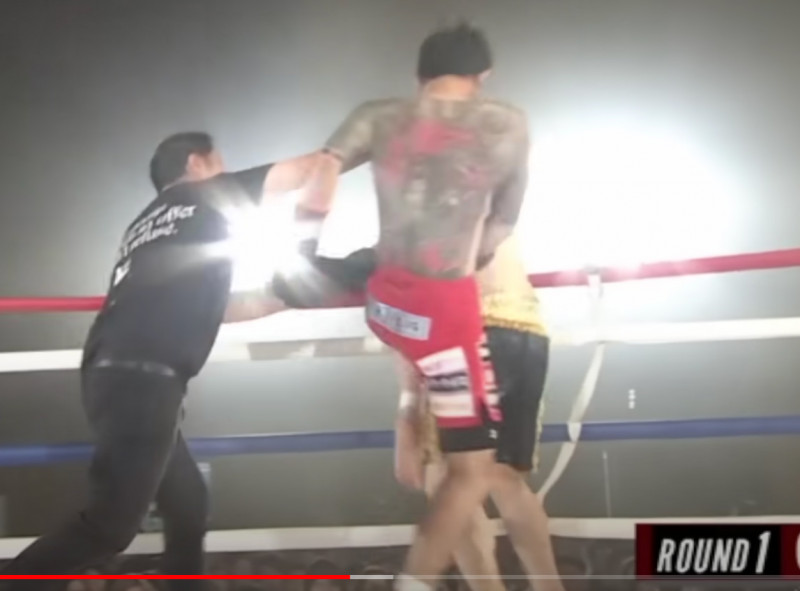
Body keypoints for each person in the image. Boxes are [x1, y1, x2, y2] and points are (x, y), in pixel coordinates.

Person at [0, 132, 318, 588]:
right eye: (220, 163)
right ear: (196, 162)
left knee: (187, 503)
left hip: (116, 371)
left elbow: (215, 306)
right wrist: (360, 146)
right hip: (143, 379)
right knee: (109, 527)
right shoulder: (206, 195)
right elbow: (304, 170)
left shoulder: (144, 226)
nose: (226, 173)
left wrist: (283, 298)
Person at [296, 23, 531, 591]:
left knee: (436, 454)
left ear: (420, 75)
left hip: (387, 305)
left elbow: (324, 167)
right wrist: (470, 258)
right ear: (483, 76)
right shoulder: (507, 124)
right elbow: (504, 219)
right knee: (472, 468)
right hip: (445, 319)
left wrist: (301, 253)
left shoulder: (378, 114)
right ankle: (416, 582)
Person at [394, 235, 566, 591]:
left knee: (448, 478)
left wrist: (407, 410)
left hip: (470, 322)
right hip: (518, 321)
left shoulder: (414, 212)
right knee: (501, 475)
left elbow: (401, 300)